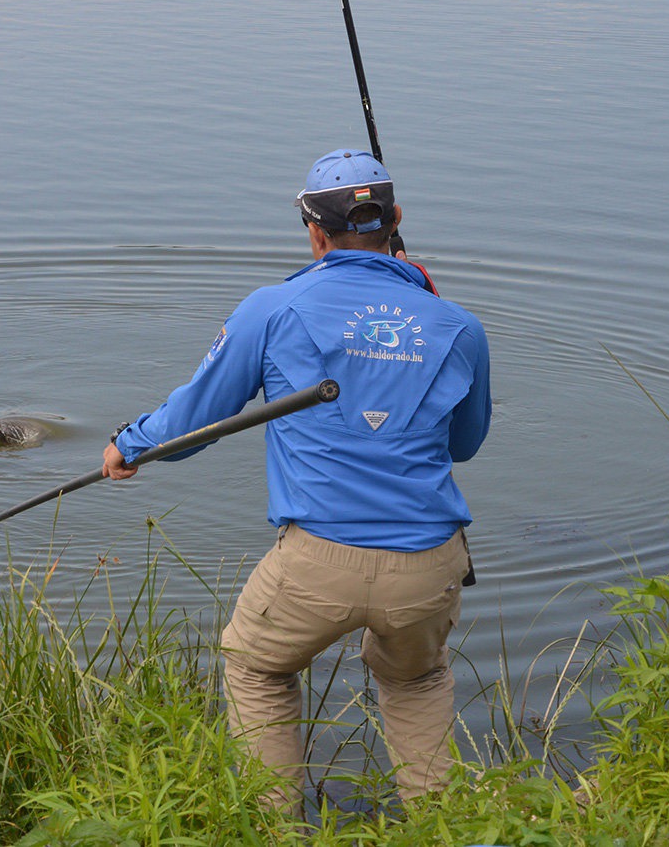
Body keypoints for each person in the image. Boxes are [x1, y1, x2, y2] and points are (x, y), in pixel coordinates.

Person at [102, 149, 491, 812]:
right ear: (394, 220)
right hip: (429, 565)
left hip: (316, 562)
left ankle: (277, 828)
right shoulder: (458, 326)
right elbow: (464, 444)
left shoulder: (273, 308)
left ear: (314, 232)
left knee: (257, 667)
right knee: (416, 683)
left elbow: (197, 422)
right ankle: (440, 825)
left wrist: (130, 444)